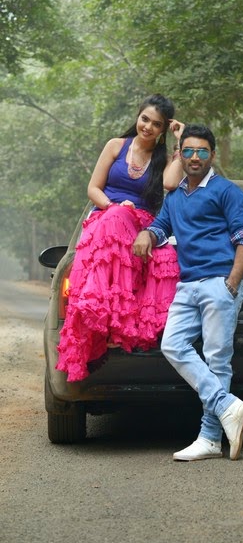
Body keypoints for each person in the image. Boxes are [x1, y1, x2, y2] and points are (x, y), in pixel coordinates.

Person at [133, 124, 243, 461]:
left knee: (217, 358)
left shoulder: (226, 191)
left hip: (219, 281)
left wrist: (231, 283)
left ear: (212, 155)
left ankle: (210, 438)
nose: (195, 157)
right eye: (188, 151)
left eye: (202, 151)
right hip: (187, 284)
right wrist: (147, 234)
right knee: (172, 345)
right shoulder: (175, 198)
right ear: (180, 155)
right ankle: (226, 405)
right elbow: (161, 227)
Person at [56, 94, 184, 383]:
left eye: (156, 124)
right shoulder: (116, 145)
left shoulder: (163, 159)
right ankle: (105, 321)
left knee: (167, 257)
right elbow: (93, 188)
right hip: (106, 216)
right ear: (137, 116)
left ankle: (122, 326)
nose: (148, 127)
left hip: (141, 225)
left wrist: (180, 142)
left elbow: (170, 183)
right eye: (145, 119)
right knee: (115, 218)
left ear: (163, 129)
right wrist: (112, 206)